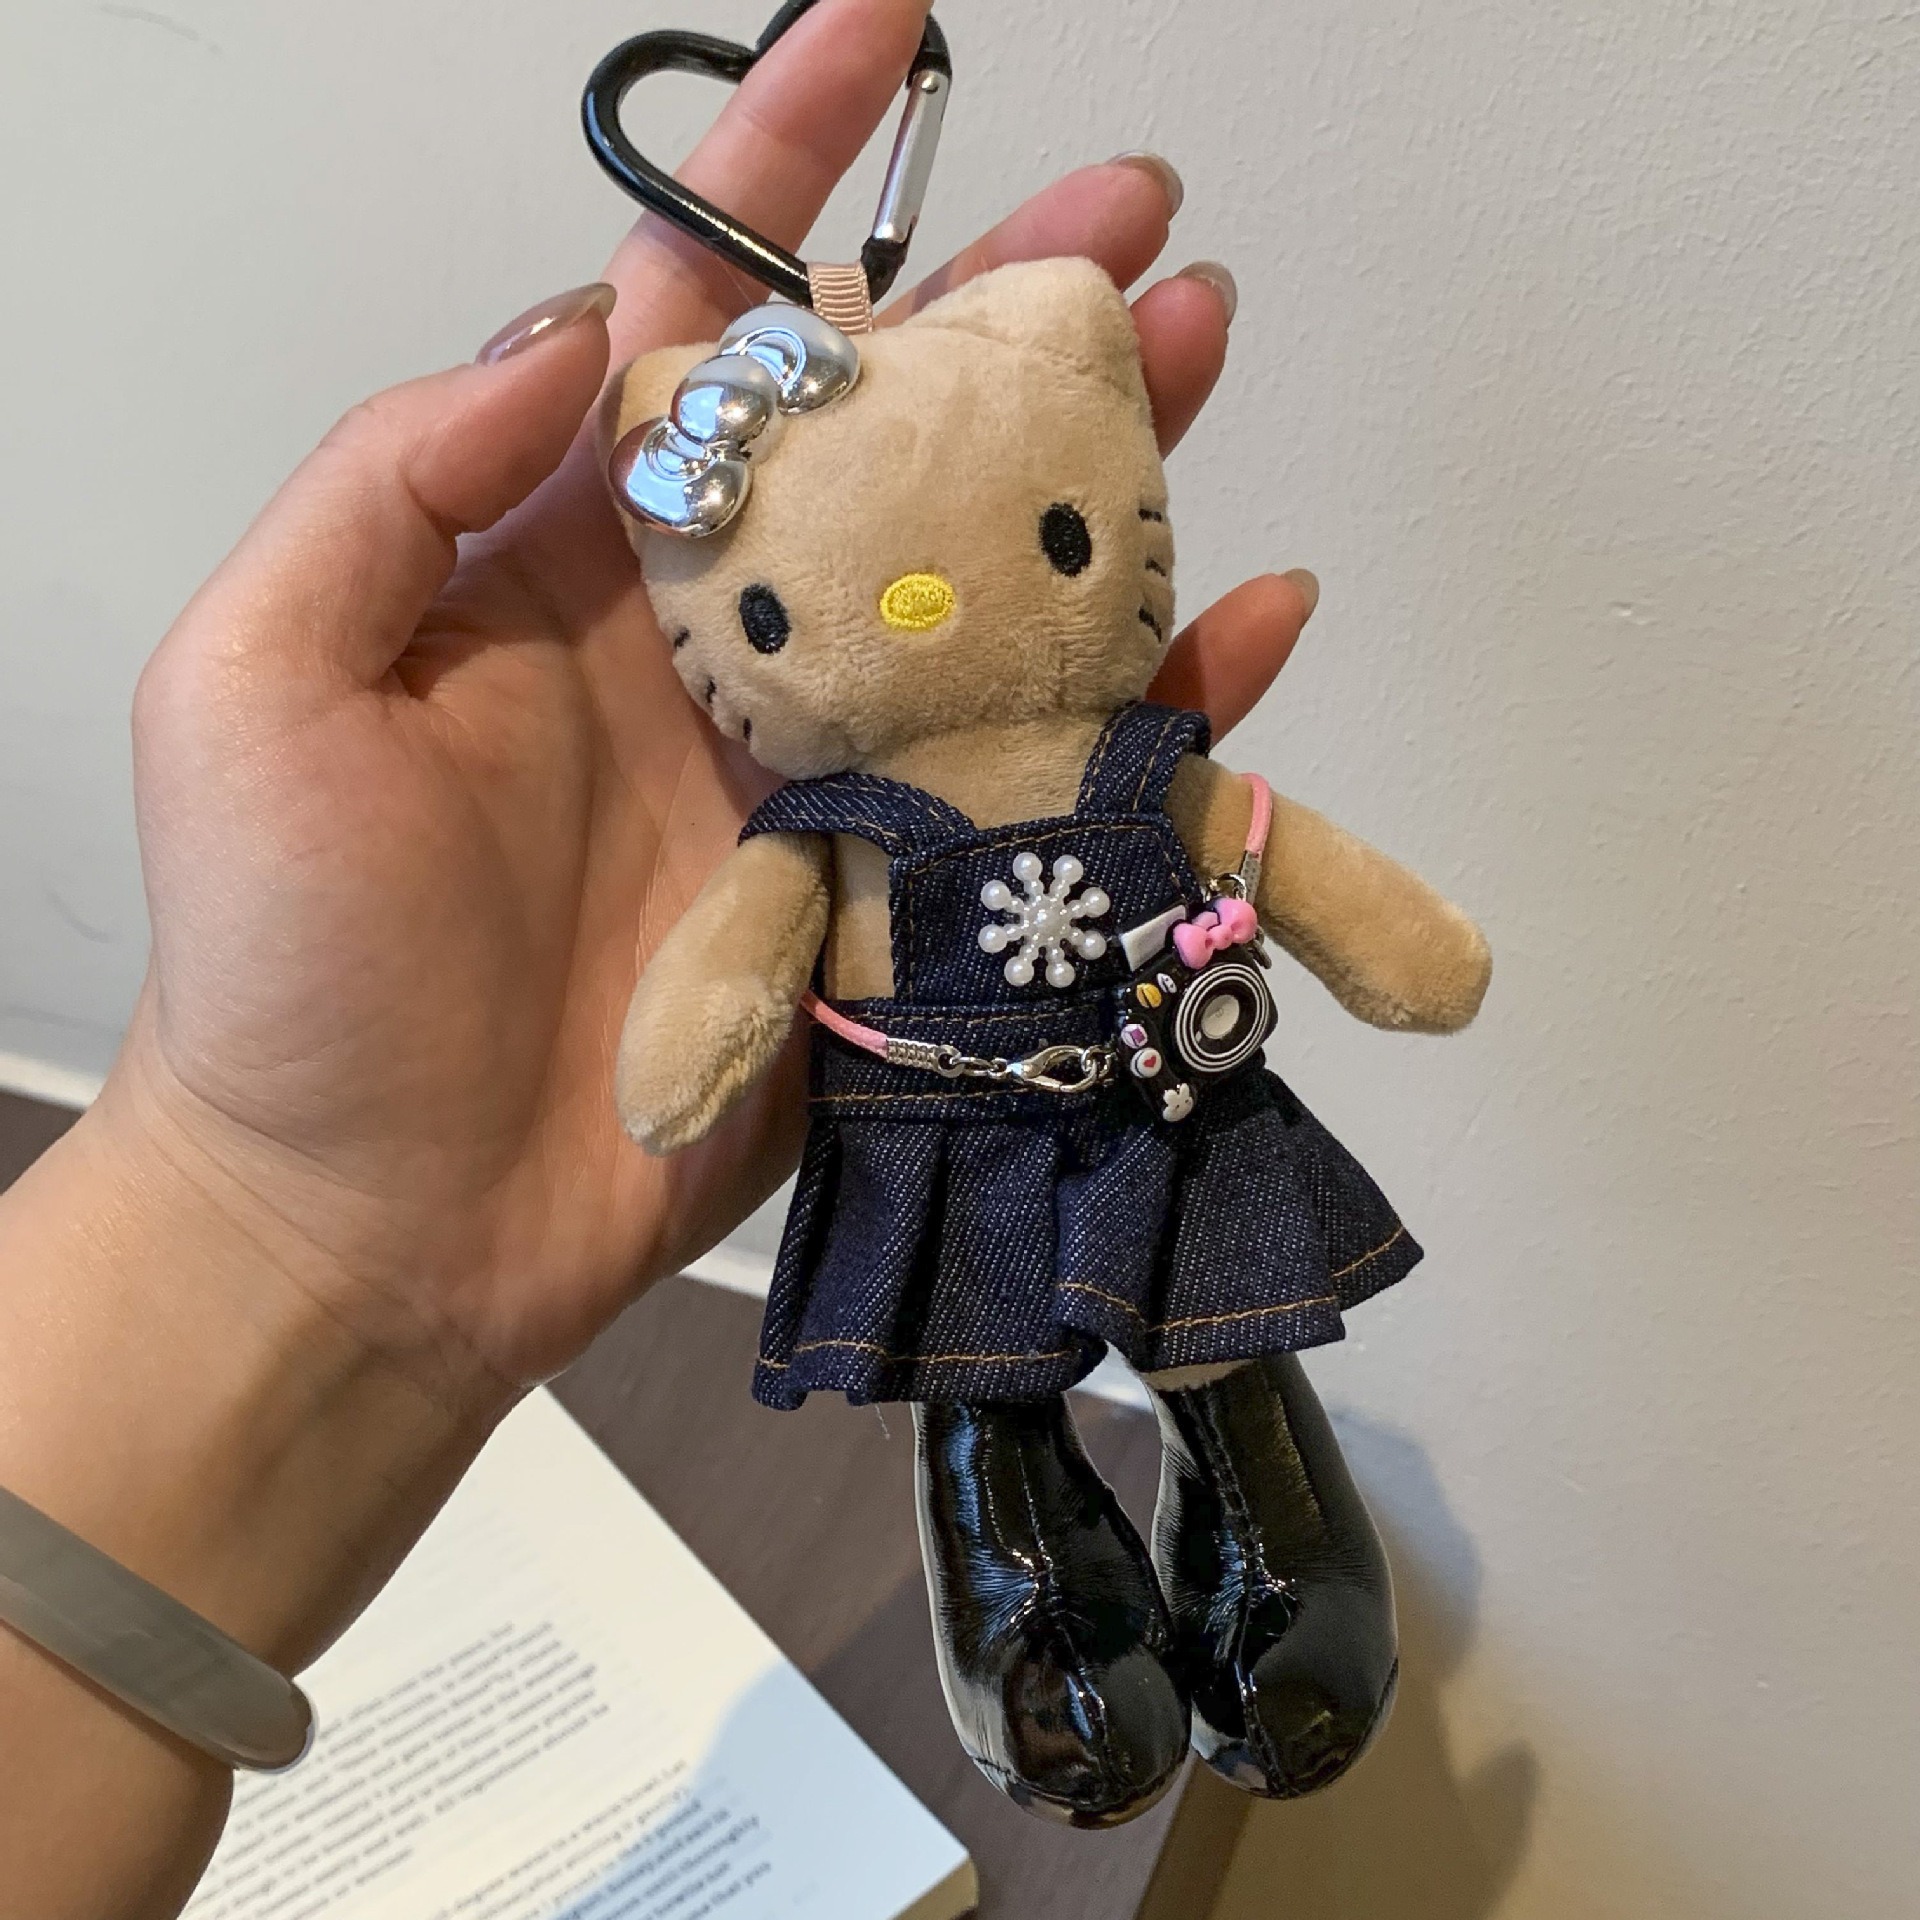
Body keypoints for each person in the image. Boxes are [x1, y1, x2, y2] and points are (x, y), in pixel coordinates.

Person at [0, 2, 1321, 1910]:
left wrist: (1384, 938)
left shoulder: (1132, 772)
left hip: (1160, 1089)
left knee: (1224, 1297)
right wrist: (293, 1198)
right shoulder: (818, 836)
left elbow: (1292, 862)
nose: (919, 607)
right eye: (773, 613)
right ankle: (1033, 1570)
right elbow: (729, 964)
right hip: (940, 1144)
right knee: (983, 1371)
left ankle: (1276, 1525)